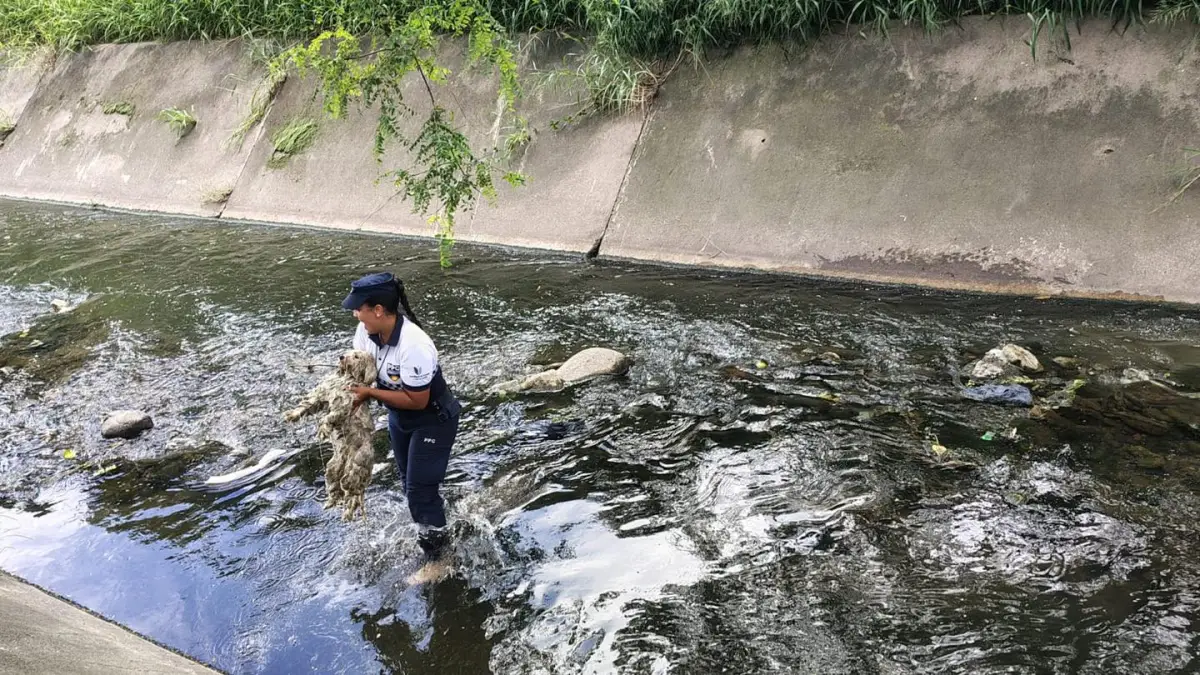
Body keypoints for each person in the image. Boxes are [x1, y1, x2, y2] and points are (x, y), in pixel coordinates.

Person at [340, 272, 462, 559]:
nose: (356, 315)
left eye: (360, 309)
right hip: (399, 418)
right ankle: (436, 524)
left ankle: (440, 560)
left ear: (379, 310)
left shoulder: (413, 345)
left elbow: (416, 400)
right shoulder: (366, 333)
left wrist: (369, 394)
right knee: (410, 485)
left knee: (420, 491)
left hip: (432, 419)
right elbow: (363, 370)